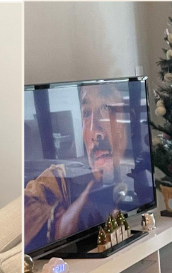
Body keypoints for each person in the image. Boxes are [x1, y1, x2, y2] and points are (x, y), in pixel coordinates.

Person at [24, 82, 140, 252]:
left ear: (127, 124)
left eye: (107, 108)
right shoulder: (59, 178)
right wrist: (57, 229)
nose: (95, 132)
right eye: (86, 113)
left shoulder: (137, 182)